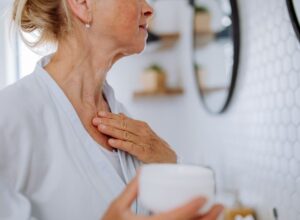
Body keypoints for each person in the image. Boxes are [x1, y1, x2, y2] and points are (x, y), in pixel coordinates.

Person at [0, 0, 223, 219]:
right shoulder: (10, 117)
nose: (148, 10)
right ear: (82, 4)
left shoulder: (131, 125)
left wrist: (169, 162)